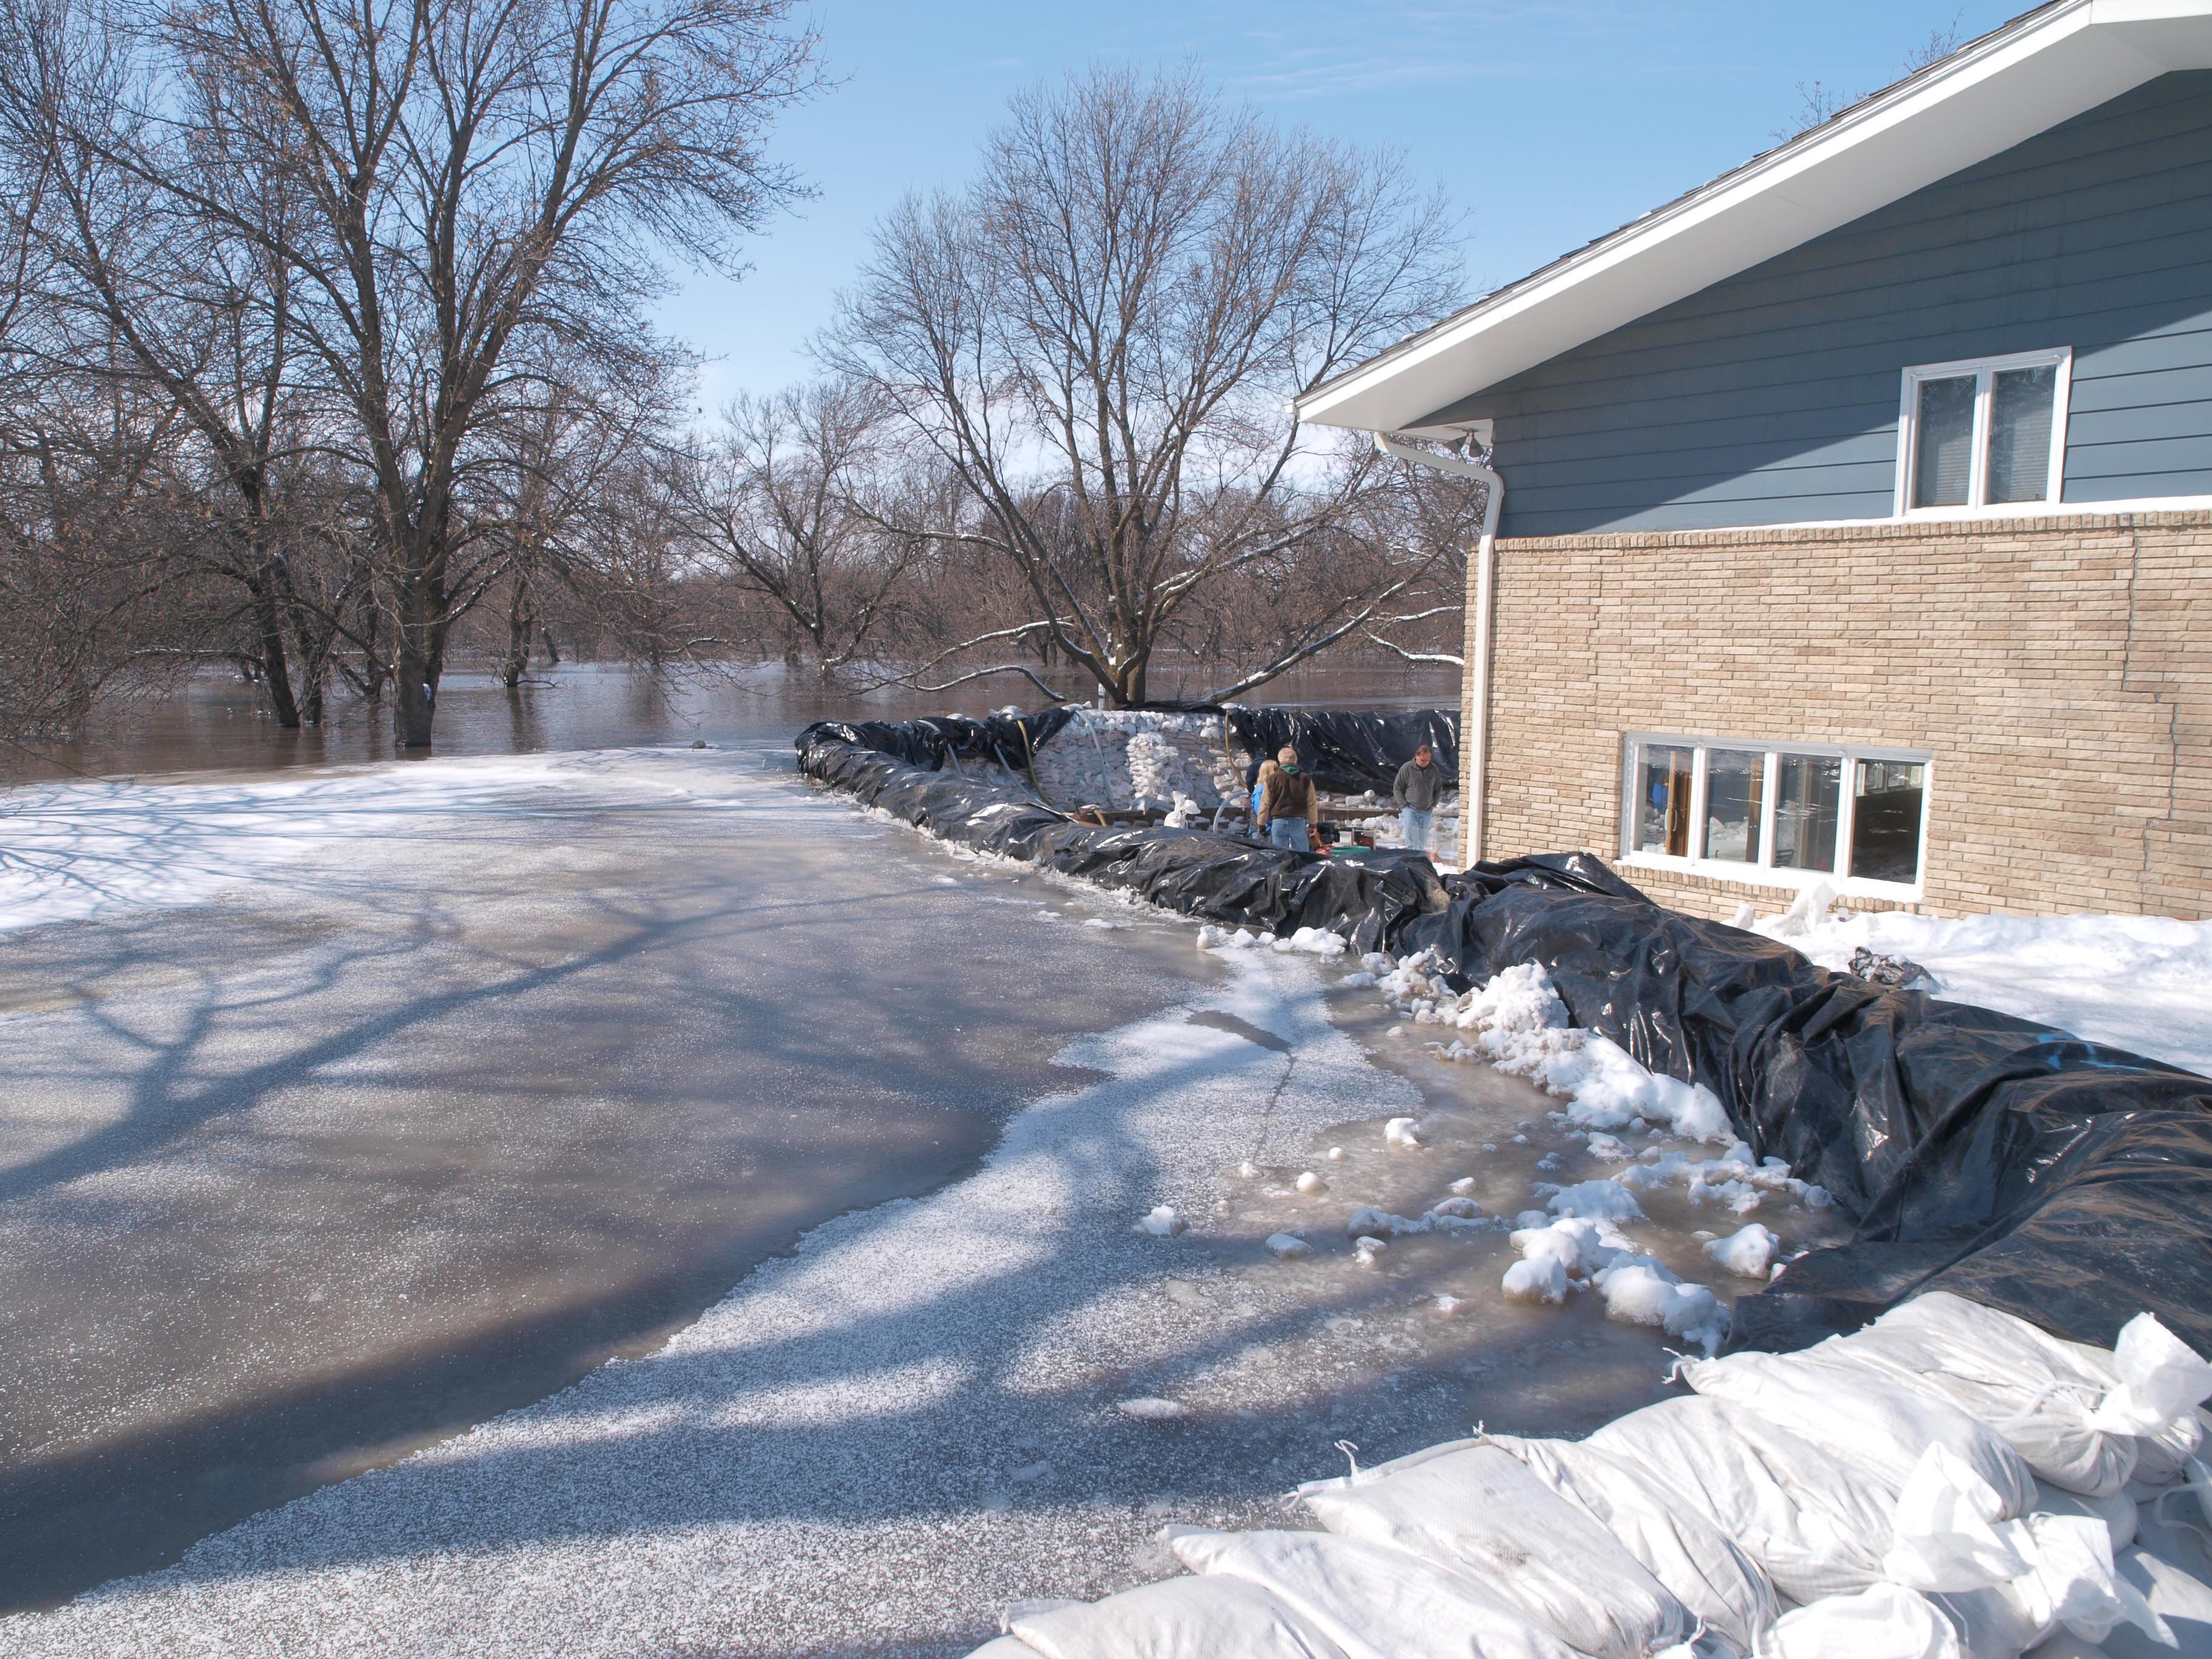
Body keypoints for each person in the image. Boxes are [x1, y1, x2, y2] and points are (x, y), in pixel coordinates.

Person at [1258, 745, 1320, 852]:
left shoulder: (1272, 779)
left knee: (1280, 856)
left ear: (1280, 761)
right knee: (1302, 856)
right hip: (1299, 822)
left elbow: (1265, 804)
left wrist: (1261, 824)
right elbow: (1311, 803)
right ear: (1295, 761)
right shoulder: (1305, 778)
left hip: (1278, 822)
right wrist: (1313, 823)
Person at [1393, 742, 1446, 853]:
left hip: (1426, 810)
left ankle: (1420, 858)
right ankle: (1411, 858)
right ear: (1417, 756)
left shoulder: (1433, 770)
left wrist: (1433, 804)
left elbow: (1438, 788)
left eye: (1428, 760)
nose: (1426, 763)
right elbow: (1397, 787)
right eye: (1423, 760)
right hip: (1411, 808)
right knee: (1412, 838)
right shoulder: (1407, 768)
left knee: (1422, 841)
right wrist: (1404, 804)